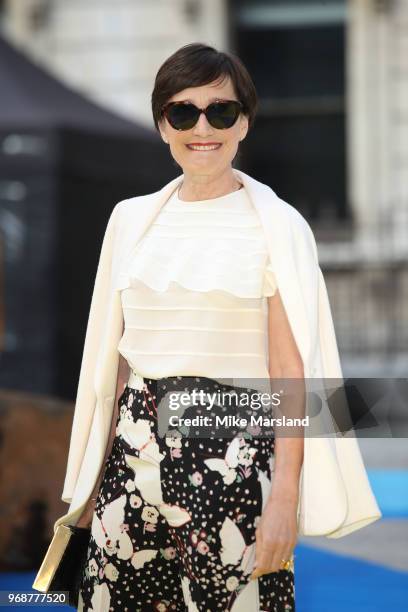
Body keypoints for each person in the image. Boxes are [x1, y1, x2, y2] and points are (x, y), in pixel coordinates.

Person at [75, 42, 311, 611]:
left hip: (233, 451)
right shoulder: (130, 220)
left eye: (221, 111)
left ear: (244, 122)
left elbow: (290, 371)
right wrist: (90, 482)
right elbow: (117, 362)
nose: (202, 127)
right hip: (132, 459)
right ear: (162, 125)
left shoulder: (277, 226)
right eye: (183, 112)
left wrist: (284, 498)